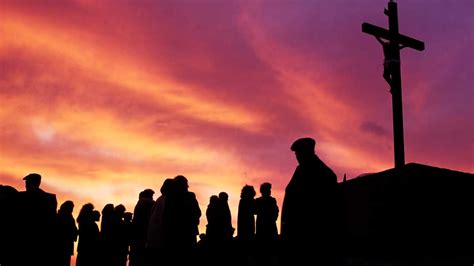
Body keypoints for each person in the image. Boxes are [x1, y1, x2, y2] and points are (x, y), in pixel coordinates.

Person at [280, 137, 339, 265]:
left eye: (298, 153)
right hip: (297, 234)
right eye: (296, 154)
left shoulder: (324, 173)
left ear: (307, 152)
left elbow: (330, 209)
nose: (296, 156)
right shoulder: (301, 169)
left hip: (310, 236)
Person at [15, 173, 58, 266]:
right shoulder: (50, 198)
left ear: (33, 183)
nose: (25, 185)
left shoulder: (19, 197)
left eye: (27, 182)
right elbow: (53, 220)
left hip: (25, 241)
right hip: (42, 242)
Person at [57, 201, 78, 266]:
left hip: (67, 244)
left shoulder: (69, 217)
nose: (72, 209)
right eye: (71, 208)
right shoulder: (62, 217)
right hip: (63, 244)